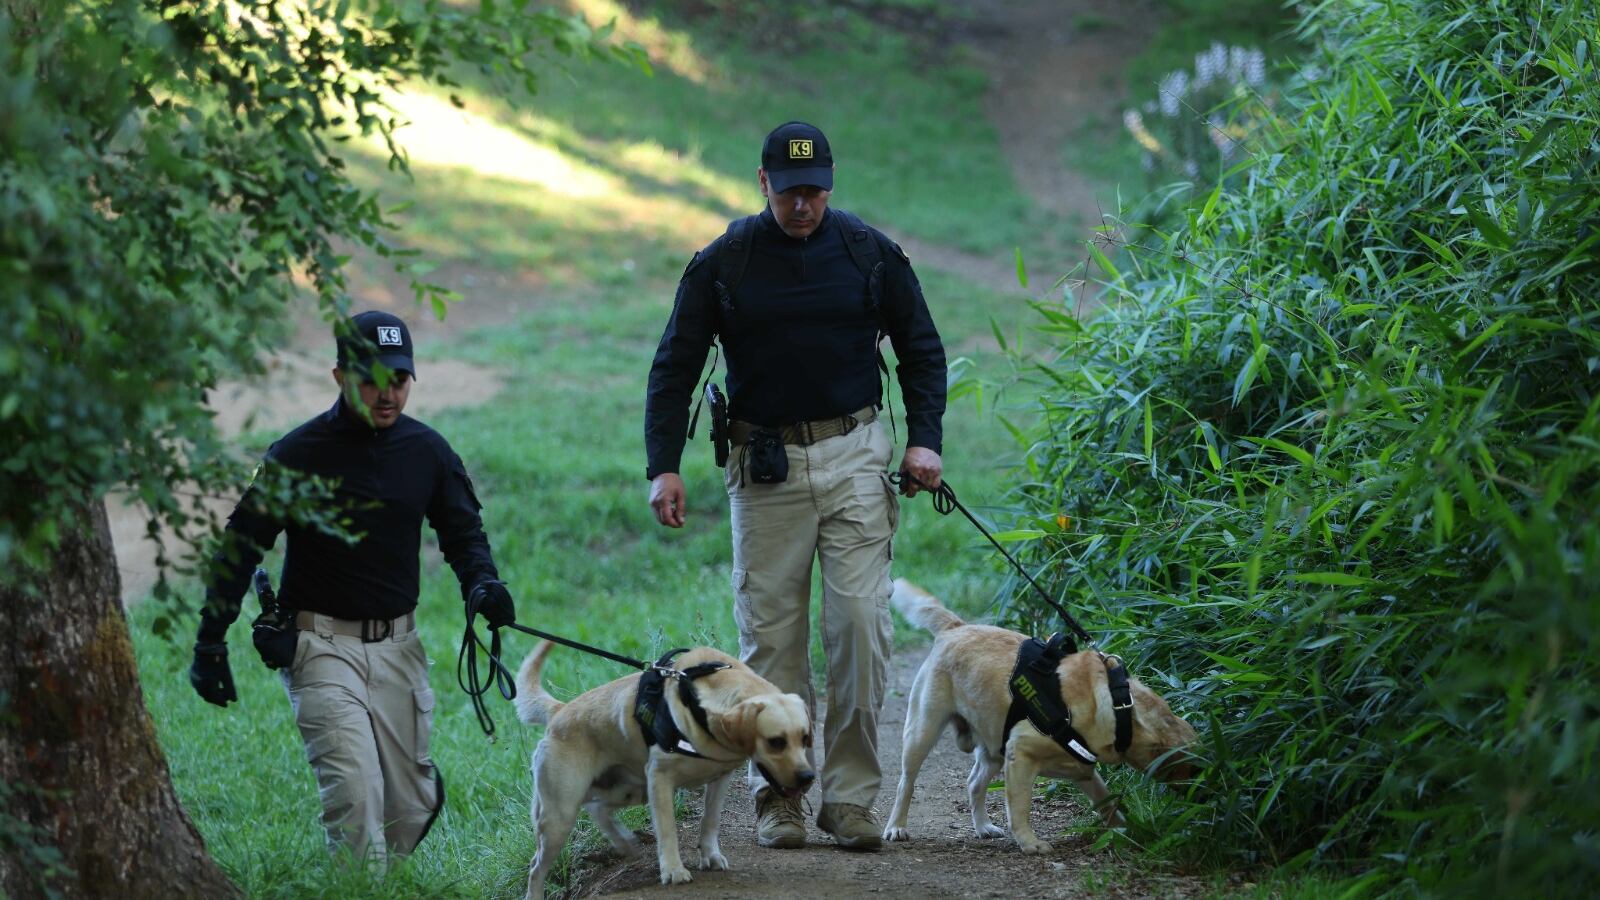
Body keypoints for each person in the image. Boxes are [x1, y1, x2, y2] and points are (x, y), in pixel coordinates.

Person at [643, 121, 947, 851]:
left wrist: (925, 441)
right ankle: (779, 797)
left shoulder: (868, 253)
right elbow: (675, 366)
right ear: (763, 184)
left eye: (814, 191)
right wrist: (664, 464)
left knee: (859, 630)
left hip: (854, 454)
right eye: (789, 192)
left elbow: (921, 349)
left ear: (830, 186)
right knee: (772, 641)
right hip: (764, 465)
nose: (802, 205)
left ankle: (850, 799)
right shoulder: (725, 262)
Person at [187, 310, 516, 865]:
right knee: (357, 803)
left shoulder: (428, 452)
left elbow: (463, 535)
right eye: (371, 380)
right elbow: (241, 548)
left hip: (399, 650)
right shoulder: (296, 455)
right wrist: (209, 641)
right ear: (339, 376)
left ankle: (395, 834)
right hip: (320, 648)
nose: (387, 394)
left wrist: (482, 584)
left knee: (408, 810)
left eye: (399, 380)